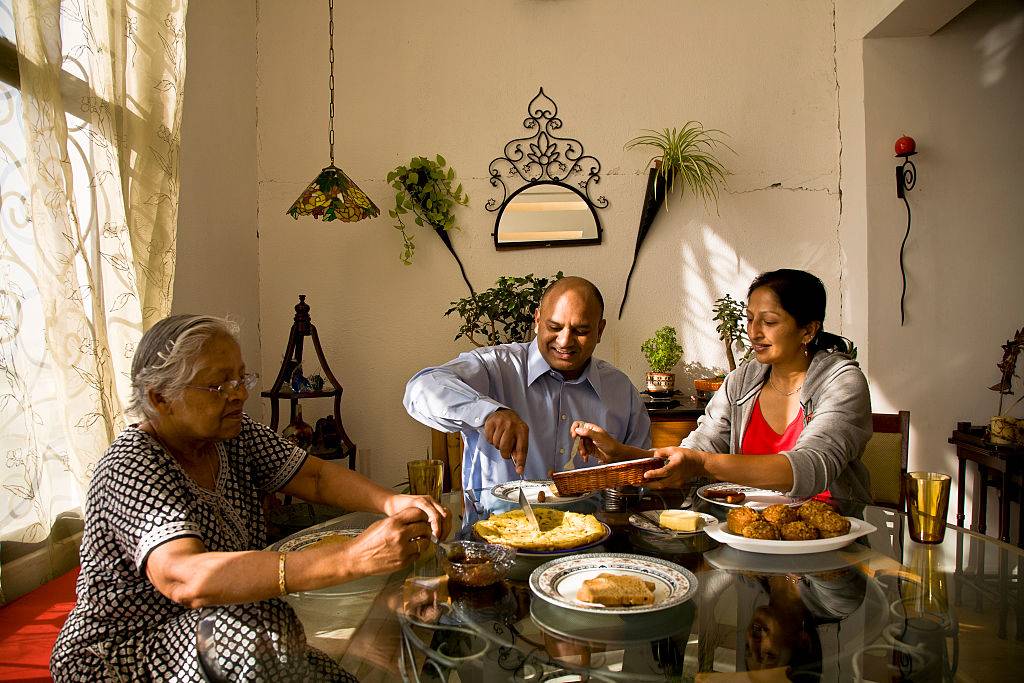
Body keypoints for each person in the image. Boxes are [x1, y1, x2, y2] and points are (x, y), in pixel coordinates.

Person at [51, 315, 450, 681]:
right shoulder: (132, 465)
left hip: (222, 626)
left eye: (242, 379)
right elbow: (184, 576)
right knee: (258, 627)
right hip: (121, 655)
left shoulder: (234, 435)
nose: (238, 394)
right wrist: (350, 558)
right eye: (218, 385)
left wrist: (390, 503)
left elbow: (314, 477)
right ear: (159, 398)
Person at [573, 269, 872, 505]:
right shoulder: (742, 381)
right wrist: (622, 453)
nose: (754, 332)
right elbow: (694, 451)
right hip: (745, 535)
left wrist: (701, 463)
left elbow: (811, 467)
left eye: (769, 322)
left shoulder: (842, 381)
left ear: (808, 330)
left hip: (830, 539)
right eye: (750, 318)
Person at [404, 276, 651, 491]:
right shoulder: (495, 366)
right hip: (496, 534)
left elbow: (644, 479)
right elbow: (420, 388)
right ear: (537, 320)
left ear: (600, 330)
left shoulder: (621, 391)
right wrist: (489, 413)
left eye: (581, 331)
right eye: (554, 327)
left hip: (594, 536)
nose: (565, 341)